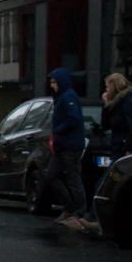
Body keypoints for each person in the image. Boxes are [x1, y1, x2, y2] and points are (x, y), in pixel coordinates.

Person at [72, 72, 132, 234]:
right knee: (105, 184)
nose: (106, 89)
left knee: (103, 184)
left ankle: (95, 219)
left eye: (108, 86)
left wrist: (129, 147)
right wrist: (106, 105)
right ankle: (93, 218)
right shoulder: (116, 103)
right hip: (115, 149)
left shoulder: (127, 102)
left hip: (122, 150)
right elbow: (106, 125)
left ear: (115, 86)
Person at [45, 68, 87, 225]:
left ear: (61, 82)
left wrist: (58, 130)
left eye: (54, 82)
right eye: (51, 83)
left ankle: (80, 212)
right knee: (51, 175)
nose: (52, 86)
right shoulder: (62, 97)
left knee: (74, 179)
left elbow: (74, 119)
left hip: (70, 145)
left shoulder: (68, 96)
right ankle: (69, 208)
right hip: (62, 145)